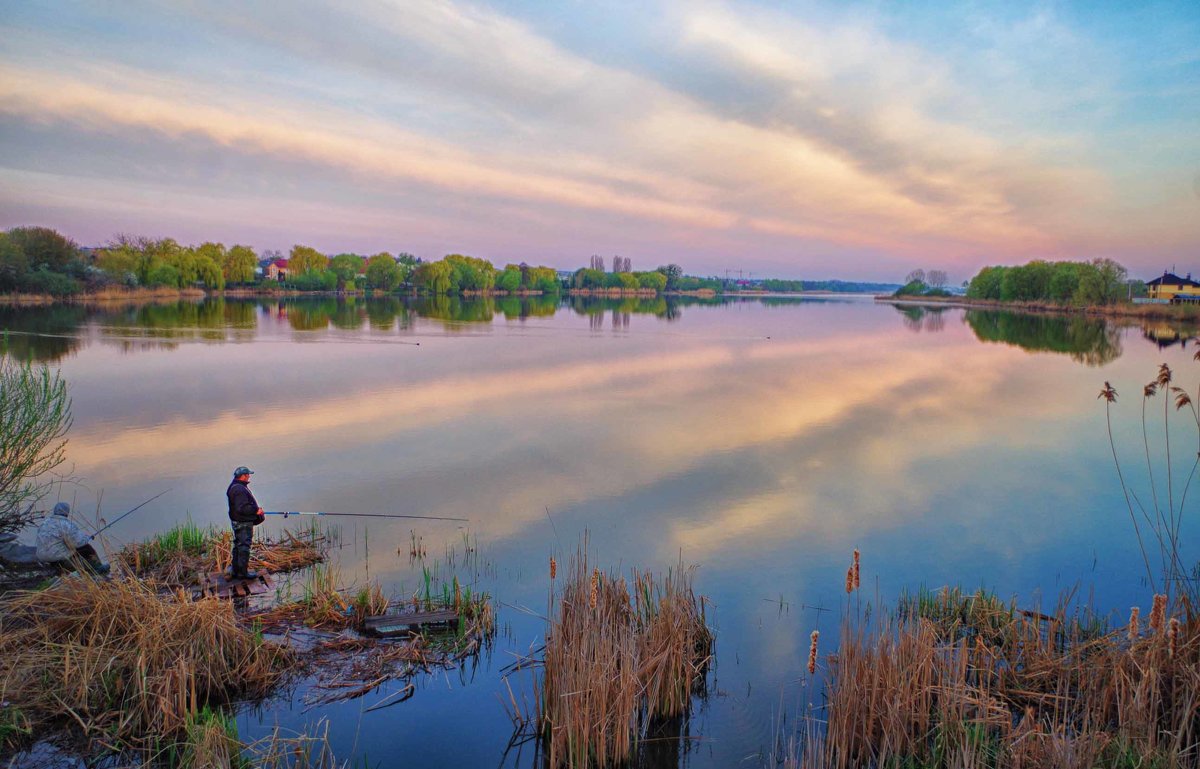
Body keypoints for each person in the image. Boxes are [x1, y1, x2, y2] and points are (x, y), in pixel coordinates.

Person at [35, 502, 110, 574]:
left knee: (68, 547)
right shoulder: (67, 525)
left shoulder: (44, 523)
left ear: (54, 511)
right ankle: (98, 567)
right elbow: (78, 543)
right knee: (86, 548)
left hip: (42, 558)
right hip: (58, 559)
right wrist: (88, 538)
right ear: (67, 512)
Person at [226, 466, 265, 580]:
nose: (249, 476)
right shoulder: (239, 490)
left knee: (238, 546)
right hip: (243, 523)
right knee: (243, 547)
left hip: (238, 521)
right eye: (248, 475)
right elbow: (241, 508)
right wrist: (256, 510)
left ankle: (236, 571)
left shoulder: (234, 486)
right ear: (242, 476)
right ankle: (242, 574)